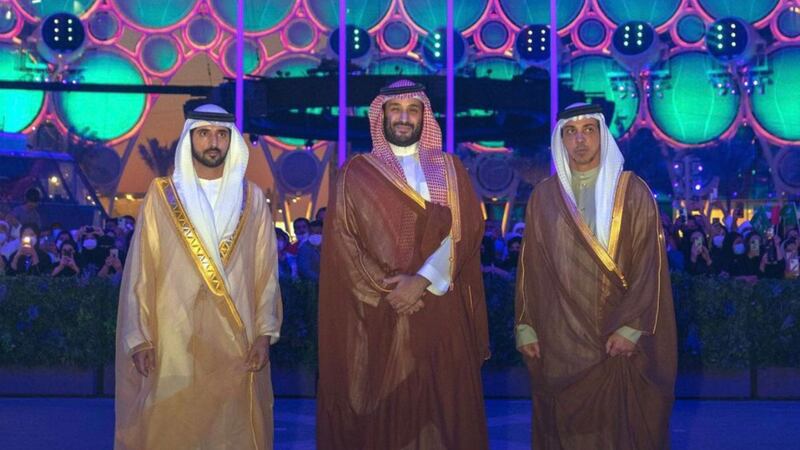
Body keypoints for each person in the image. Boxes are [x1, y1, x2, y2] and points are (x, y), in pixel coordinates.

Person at [317, 80, 490, 450]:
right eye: (395, 109)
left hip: (440, 308)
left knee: (445, 409)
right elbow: (344, 244)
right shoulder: (356, 173)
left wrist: (422, 280)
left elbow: (466, 231)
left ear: (424, 117)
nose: (404, 118)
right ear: (381, 115)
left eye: (414, 110)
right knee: (385, 416)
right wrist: (391, 287)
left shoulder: (449, 168)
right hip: (380, 313)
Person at [114, 104, 283, 450]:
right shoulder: (162, 195)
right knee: (170, 428)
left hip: (239, 340)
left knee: (233, 431)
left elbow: (266, 273)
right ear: (189, 138)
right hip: (173, 337)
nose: (213, 142)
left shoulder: (251, 198)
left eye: (221, 134)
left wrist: (265, 333)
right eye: (204, 133)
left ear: (231, 141)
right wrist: (139, 337)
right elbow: (141, 271)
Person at [515, 103, 677, 449]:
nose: (580, 140)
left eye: (589, 130)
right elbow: (532, 268)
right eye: (570, 132)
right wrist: (526, 323)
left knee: (620, 432)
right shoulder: (543, 197)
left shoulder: (632, 193)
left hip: (616, 337)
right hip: (560, 340)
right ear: (561, 140)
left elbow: (649, 265)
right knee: (566, 432)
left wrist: (631, 327)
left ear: (602, 136)